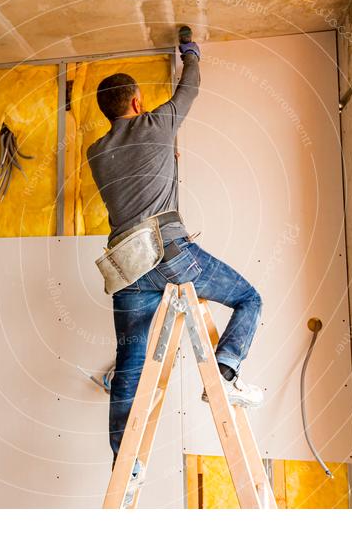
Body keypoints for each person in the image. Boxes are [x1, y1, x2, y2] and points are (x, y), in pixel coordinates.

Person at [87, 37, 264, 499]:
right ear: (137, 101)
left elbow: (135, 173)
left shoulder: (95, 152)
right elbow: (191, 86)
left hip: (127, 268)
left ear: (107, 111)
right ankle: (224, 372)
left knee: (129, 364)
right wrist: (191, 51)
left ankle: (124, 465)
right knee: (250, 298)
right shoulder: (158, 122)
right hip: (170, 255)